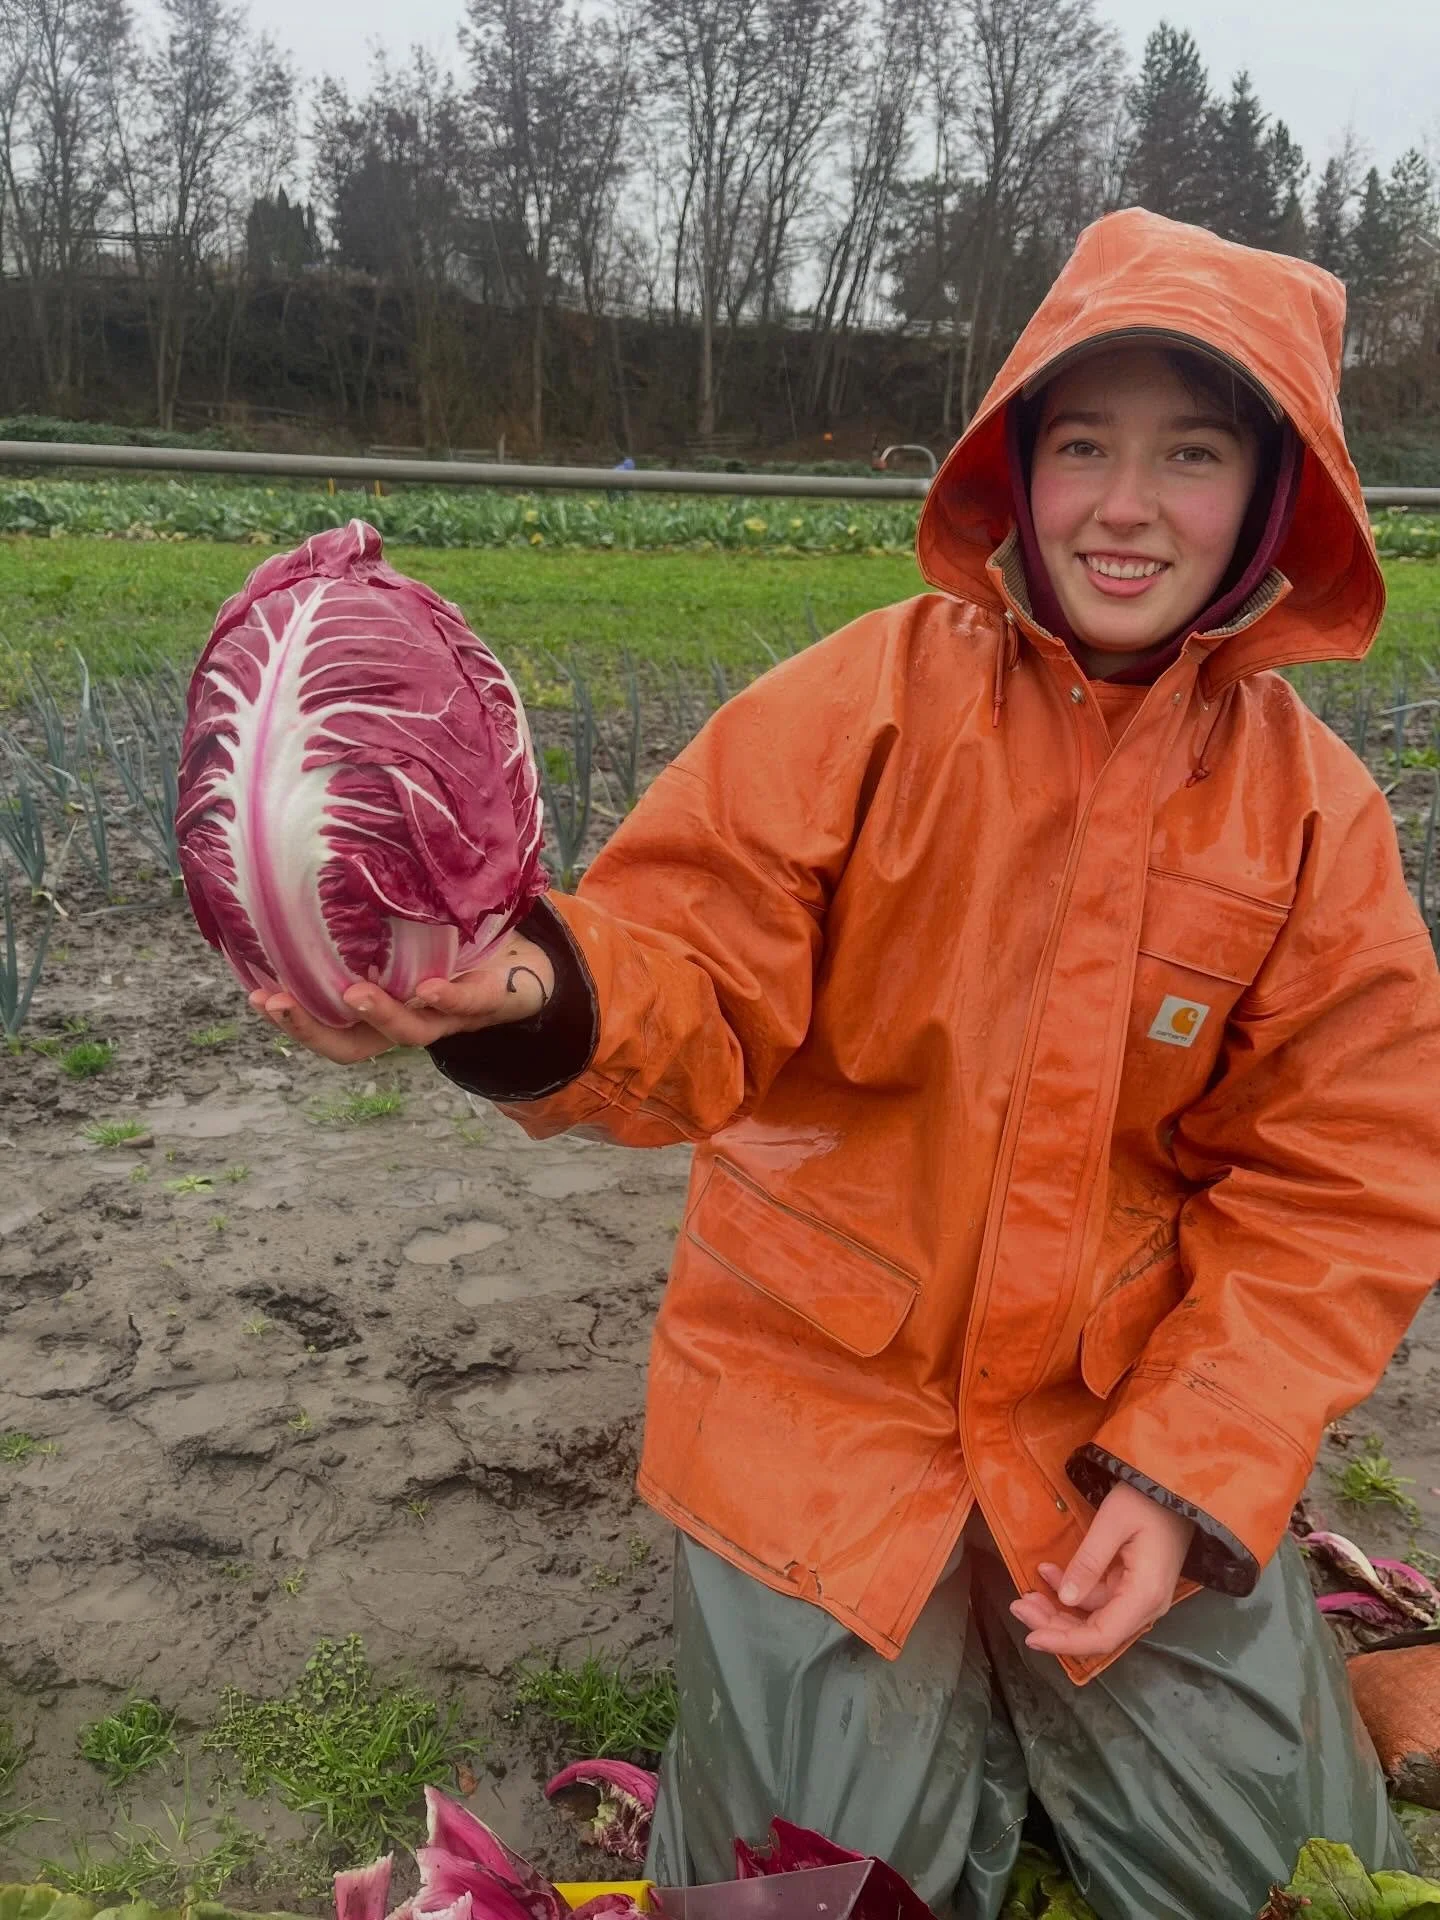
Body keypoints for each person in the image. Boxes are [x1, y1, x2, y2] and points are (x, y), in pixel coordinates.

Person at [250, 209, 1440, 1919]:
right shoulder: (854, 708)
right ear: (1013, 466)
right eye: (1082, 443)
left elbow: (1350, 1188)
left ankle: (1239, 1676)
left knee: (1289, 1880)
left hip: (1115, 1424)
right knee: (819, 1887)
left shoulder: (1316, 822)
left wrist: (1190, 1476)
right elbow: (687, 982)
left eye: (1192, 454)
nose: (1124, 504)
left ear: (1274, 498)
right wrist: (523, 988)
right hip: (818, 1407)